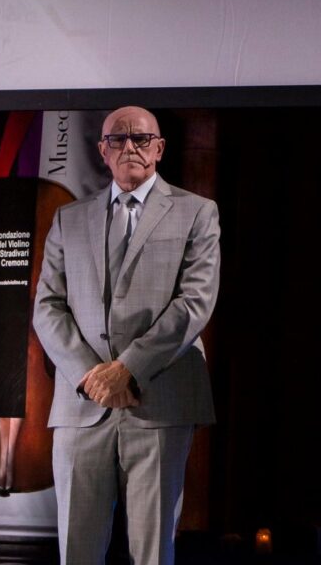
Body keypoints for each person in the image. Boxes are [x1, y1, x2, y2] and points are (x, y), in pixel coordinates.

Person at [33, 106, 220, 565]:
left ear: (159, 148)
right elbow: (47, 306)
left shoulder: (197, 212)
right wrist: (90, 375)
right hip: (82, 404)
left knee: (153, 552)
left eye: (141, 138)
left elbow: (194, 303)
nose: (129, 147)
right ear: (102, 151)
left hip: (160, 400)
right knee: (76, 550)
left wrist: (128, 370)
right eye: (118, 139)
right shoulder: (68, 219)